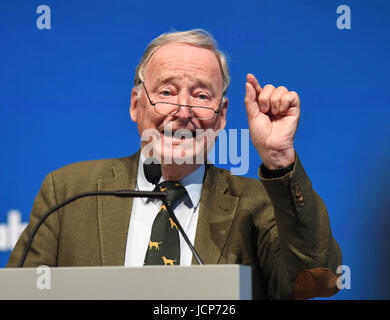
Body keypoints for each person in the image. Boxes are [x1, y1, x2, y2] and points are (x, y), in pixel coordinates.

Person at [7, 29, 342, 300]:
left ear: (222, 116)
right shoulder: (67, 193)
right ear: (136, 104)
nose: (183, 111)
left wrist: (279, 158)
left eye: (201, 96)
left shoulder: (258, 205)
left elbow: (317, 281)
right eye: (166, 91)